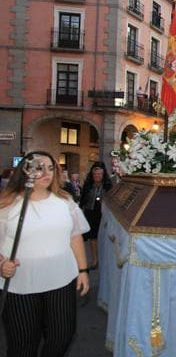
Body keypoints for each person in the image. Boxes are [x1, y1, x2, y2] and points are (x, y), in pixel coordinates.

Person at [0, 151, 89, 357]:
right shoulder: (8, 204)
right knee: (23, 344)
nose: (46, 173)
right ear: (25, 171)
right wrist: (2, 264)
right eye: (39, 168)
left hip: (61, 279)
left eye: (51, 168)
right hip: (20, 283)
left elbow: (75, 236)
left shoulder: (65, 200)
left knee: (62, 336)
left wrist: (83, 270)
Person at [80, 162, 112, 270]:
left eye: (99, 174)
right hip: (91, 213)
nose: (97, 176)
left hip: (103, 214)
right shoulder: (88, 185)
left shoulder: (108, 186)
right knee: (92, 238)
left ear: (103, 175)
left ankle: (104, 259)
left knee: (103, 237)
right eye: (95, 174)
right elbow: (83, 199)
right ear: (92, 175)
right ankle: (95, 260)